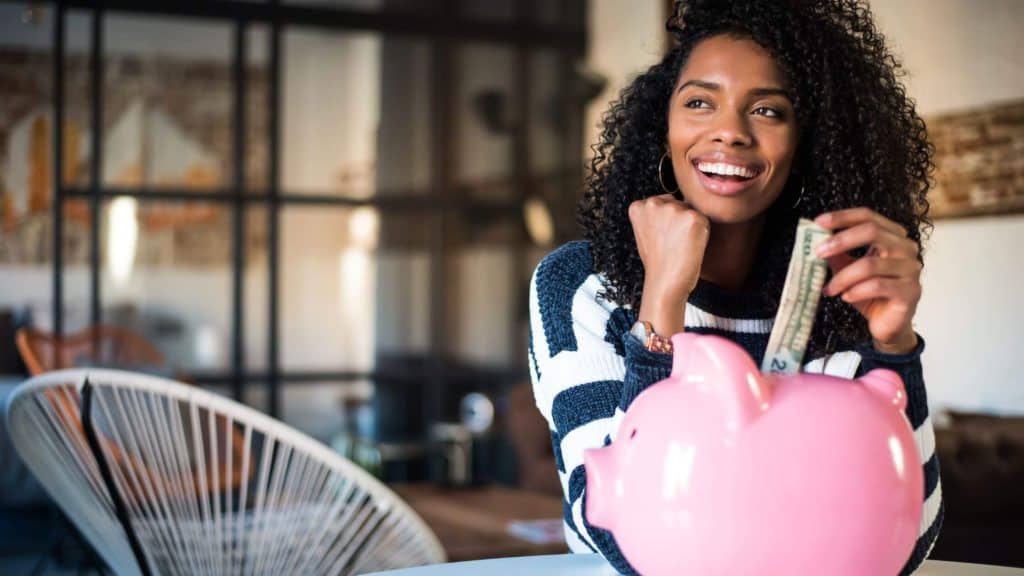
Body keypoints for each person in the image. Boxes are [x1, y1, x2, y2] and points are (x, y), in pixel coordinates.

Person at [527, 0, 942, 574]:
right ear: (662, 128)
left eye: (769, 111)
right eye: (699, 102)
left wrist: (894, 349)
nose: (729, 131)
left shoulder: (837, 287)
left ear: (804, 146)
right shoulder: (582, 285)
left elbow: (901, 546)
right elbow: (615, 538)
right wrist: (662, 301)